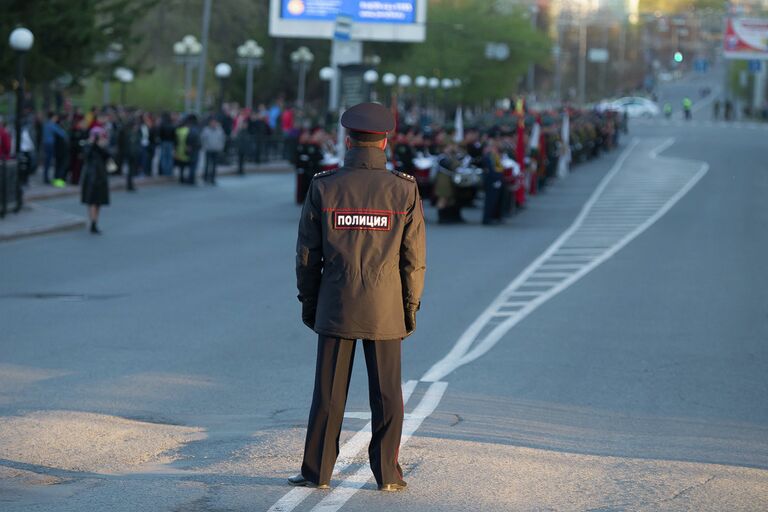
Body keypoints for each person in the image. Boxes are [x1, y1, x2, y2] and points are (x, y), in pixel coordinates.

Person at [291, 102, 426, 492]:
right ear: (385, 141)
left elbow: (306, 255)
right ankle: (388, 475)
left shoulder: (325, 186)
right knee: (387, 394)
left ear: (348, 139)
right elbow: (413, 260)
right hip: (385, 307)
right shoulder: (403, 189)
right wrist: (409, 307)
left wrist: (310, 302)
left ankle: (317, 473)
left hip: (337, 302)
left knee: (329, 394)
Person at [81, 126, 111, 234]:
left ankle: (95, 221)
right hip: (91, 176)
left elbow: (108, 156)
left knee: (98, 201)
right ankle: (93, 222)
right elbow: (86, 156)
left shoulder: (102, 146)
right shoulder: (88, 145)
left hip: (101, 175)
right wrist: (92, 144)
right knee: (92, 200)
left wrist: (100, 146)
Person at [201, 117, 226, 185]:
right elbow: (203, 139)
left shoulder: (220, 130)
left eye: (215, 122)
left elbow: (222, 139)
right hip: (208, 149)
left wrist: (220, 147)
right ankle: (205, 177)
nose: (213, 124)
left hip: (216, 149)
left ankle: (212, 178)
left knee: (214, 165)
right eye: (212, 122)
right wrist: (205, 146)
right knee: (207, 165)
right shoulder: (206, 130)